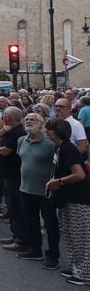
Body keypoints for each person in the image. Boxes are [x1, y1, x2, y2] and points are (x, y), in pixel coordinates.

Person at [44, 118, 90, 285]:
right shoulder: (61, 147)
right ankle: (75, 267)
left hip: (79, 199)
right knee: (71, 235)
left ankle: (84, 273)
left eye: (49, 129)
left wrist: (59, 181)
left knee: (81, 236)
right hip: (69, 198)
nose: (46, 131)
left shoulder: (68, 149)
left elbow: (80, 174)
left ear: (57, 131)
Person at [16, 112, 59, 268]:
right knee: (31, 221)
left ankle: (53, 256)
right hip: (25, 188)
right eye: (26, 119)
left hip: (45, 191)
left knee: (50, 224)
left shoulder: (50, 143)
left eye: (32, 119)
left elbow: (58, 164)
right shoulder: (21, 140)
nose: (28, 121)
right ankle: (34, 250)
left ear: (41, 123)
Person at [0, 107, 28, 252]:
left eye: (4, 114)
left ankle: (21, 238)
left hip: (14, 174)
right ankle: (15, 234)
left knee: (17, 206)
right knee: (11, 205)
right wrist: (1, 134)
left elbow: (5, 151)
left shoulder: (18, 133)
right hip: (6, 173)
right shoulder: (8, 131)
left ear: (8, 117)